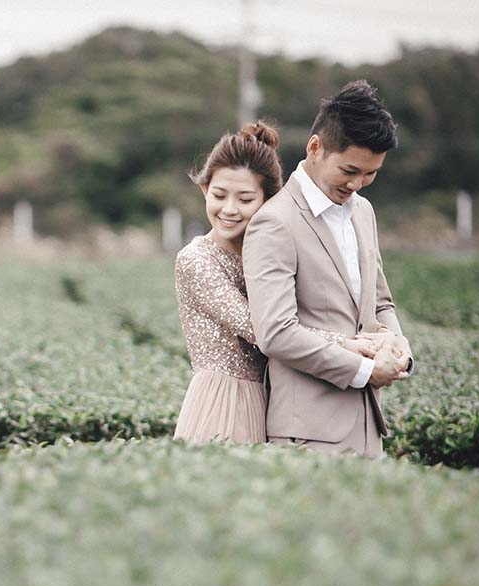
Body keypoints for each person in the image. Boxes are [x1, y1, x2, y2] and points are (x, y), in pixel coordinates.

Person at [173, 121, 378, 445]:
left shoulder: (268, 254)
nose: (229, 209)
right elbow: (261, 327)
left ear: (267, 200)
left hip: (272, 402)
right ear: (204, 190)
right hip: (223, 402)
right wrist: (343, 343)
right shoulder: (196, 259)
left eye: (244, 199)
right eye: (219, 195)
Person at [243, 80, 413, 457]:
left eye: (371, 174)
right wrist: (365, 371)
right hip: (308, 434)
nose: (358, 184)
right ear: (315, 147)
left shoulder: (364, 212)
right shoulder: (275, 222)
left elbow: (381, 304)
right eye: (350, 170)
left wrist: (399, 349)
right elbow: (275, 332)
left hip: (369, 428)